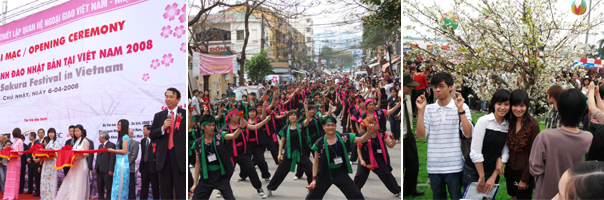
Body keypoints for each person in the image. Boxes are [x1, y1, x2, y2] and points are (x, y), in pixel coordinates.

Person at [415, 72, 474, 200]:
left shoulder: (462, 106)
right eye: (434, 86)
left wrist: (461, 110)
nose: (437, 90)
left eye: (441, 86)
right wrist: (421, 110)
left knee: (456, 197)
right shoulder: (428, 109)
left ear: (451, 87)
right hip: (434, 165)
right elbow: (420, 136)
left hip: (455, 165)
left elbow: (468, 133)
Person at [529, 89, 593, 199]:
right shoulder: (588, 138)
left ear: (560, 108)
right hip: (573, 193)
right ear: (583, 110)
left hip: (546, 193)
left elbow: (535, 169)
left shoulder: (545, 136)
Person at [305, 116, 372, 199]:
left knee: (356, 194)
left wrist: (368, 132)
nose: (331, 127)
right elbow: (316, 162)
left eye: (333, 125)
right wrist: (314, 179)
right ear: (323, 127)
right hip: (324, 174)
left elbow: (361, 139)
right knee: (311, 197)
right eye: (328, 125)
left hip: (340, 172)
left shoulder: (344, 137)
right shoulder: (319, 143)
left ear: (335, 126)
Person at [461, 89, 511, 194]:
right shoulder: (484, 121)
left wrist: (493, 176)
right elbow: (475, 151)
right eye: (499, 104)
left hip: (492, 171)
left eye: (506, 104)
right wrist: (482, 177)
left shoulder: (508, 126)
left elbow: (505, 153)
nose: (502, 107)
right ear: (493, 104)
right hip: (475, 171)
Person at [263, 109, 313, 199]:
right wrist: (279, 153)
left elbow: (308, 119)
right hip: (289, 155)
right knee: (279, 173)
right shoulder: (285, 128)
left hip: (301, 154)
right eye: (290, 115)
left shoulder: (301, 126)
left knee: (311, 170)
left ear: (297, 117)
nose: (292, 117)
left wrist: (305, 107)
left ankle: (312, 190)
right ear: (288, 117)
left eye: (294, 115)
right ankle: (270, 189)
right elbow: (282, 141)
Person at [190, 114, 241, 199]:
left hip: (221, 176)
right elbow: (198, 164)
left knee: (230, 198)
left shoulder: (219, 136)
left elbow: (233, 136)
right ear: (203, 127)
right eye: (209, 125)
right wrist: (195, 184)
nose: (212, 128)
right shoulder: (198, 143)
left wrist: (241, 127)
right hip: (206, 177)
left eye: (213, 125)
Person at [150, 88, 187, 199]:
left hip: (179, 158)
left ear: (178, 99)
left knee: (181, 190)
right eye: (167, 96)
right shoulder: (159, 116)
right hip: (164, 158)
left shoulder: (185, 114)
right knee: (165, 191)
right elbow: (152, 135)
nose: (168, 99)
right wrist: (163, 127)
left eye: (171, 96)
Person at [503, 89, 541, 199]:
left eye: (522, 106)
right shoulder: (510, 122)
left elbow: (534, 154)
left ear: (527, 106)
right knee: (513, 197)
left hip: (524, 172)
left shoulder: (533, 125)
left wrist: (525, 178)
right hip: (510, 170)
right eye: (515, 105)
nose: (518, 109)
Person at [354, 116, 400, 196]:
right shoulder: (363, 135)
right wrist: (361, 160)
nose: (377, 124)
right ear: (370, 126)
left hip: (377, 157)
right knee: (360, 176)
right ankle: (354, 192)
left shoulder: (381, 133)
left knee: (386, 174)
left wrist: (393, 143)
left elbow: (389, 145)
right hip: (365, 157)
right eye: (375, 124)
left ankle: (397, 190)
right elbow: (359, 149)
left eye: (376, 123)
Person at [402, 72, 424, 197]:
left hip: (409, 137)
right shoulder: (399, 98)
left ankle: (410, 189)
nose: (411, 89)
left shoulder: (409, 96)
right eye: (409, 86)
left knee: (413, 166)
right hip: (403, 136)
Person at [54, 124, 91, 200]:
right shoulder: (76, 141)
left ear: (82, 132)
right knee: (72, 180)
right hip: (74, 164)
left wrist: (77, 155)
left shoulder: (85, 141)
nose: (76, 132)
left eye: (78, 131)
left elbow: (86, 154)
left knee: (79, 182)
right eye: (75, 131)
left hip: (81, 163)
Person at [107, 119, 131, 200]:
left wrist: (113, 151)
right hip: (118, 162)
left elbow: (124, 151)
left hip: (122, 162)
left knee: (121, 183)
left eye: (120, 125)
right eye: (118, 124)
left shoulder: (125, 137)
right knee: (116, 182)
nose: (118, 126)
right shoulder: (121, 137)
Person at [40, 128, 61, 200]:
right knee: (45, 180)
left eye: (52, 133)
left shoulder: (56, 143)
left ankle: (51, 197)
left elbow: (57, 154)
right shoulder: (48, 143)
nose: (51, 134)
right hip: (46, 163)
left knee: (51, 181)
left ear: (55, 134)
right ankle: (45, 197)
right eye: (49, 133)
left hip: (52, 163)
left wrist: (52, 151)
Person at [140, 125, 159, 199]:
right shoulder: (143, 141)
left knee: (155, 185)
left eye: (144, 129)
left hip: (153, 166)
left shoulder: (156, 140)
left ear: (149, 131)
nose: (143, 131)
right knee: (144, 185)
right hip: (144, 165)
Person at [3, 128, 24, 200]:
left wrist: (14, 152)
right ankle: (7, 195)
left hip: (16, 161)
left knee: (14, 178)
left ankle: (13, 195)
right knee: (9, 178)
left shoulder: (20, 141)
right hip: (11, 161)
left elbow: (21, 152)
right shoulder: (15, 141)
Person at [95, 132, 116, 200]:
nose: (98, 139)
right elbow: (98, 158)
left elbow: (112, 158)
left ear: (103, 138)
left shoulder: (111, 145)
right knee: (100, 186)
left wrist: (111, 169)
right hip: (99, 170)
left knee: (108, 187)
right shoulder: (100, 146)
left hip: (107, 170)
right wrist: (96, 168)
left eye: (100, 137)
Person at [26, 131, 40, 196]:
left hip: (35, 162)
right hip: (29, 163)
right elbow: (27, 152)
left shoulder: (37, 143)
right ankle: (29, 190)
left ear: (32, 136)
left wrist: (31, 158)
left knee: (36, 177)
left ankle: (37, 191)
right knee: (30, 176)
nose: (28, 137)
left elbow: (36, 153)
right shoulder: (29, 144)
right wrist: (27, 158)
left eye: (29, 136)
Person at [128, 128, 139, 199]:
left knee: (131, 186)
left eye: (128, 132)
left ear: (132, 134)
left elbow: (133, 156)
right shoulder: (121, 142)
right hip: (121, 169)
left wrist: (126, 164)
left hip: (129, 168)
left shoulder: (135, 143)